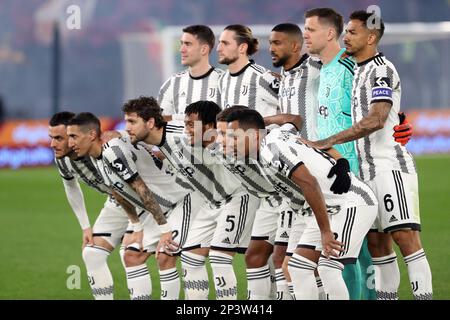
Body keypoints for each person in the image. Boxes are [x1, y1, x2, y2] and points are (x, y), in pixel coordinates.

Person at [307, 10, 432, 300]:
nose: (346, 37)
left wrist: (328, 140)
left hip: (389, 166)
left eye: (352, 32)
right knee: (378, 246)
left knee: (406, 238)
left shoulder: (381, 70)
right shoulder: (357, 68)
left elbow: (377, 119)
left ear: (371, 37)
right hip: (363, 171)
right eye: (346, 31)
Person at [218, 107, 378, 300]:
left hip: (352, 203)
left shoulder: (271, 149)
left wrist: (325, 232)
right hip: (324, 208)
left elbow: (309, 182)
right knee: (298, 268)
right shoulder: (276, 135)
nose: (225, 143)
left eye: (232, 137)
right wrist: (258, 121)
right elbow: (295, 119)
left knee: (328, 267)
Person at [122, 97, 259, 300]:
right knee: (190, 258)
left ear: (150, 123)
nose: (127, 128)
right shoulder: (172, 140)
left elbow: (228, 136)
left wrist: (215, 138)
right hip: (211, 203)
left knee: (222, 258)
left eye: (132, 122)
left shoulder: (184, 136)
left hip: (237, 197)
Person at [66, 112, 185, 300]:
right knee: (131, 256)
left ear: (91, 135)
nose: (70, 143)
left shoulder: (111, 152)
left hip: (176, 202)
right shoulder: (97, 156)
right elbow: (118, 194)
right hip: (157, 208)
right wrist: (136, 227)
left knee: (166, 256)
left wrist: (164, 229)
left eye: (73, 136)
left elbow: (141, 189)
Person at [49, 111, 137, 300]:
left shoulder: (103, 147)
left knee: (130, 254)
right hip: (117, 202)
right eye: (51, 138)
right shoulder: (63, 159)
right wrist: (85, 227)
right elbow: (71, 188)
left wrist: (122, 133)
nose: (52, 144)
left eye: (59, 138)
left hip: (142, 201)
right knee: (91, 254)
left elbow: (137, 137)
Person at [158, 25, 223, 127]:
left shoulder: (224, 81)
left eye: (188, 44)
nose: (181, 49)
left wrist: (177, 117)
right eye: (182, 44)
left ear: (204, 49)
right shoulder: (172, 83)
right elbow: (159, 120)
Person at [217, 24, 280, 117]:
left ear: (242, 48)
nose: (218, 48)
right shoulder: (222, 79)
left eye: (225, 43)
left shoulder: (262, 77)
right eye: (219, 43)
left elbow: (291, 106)